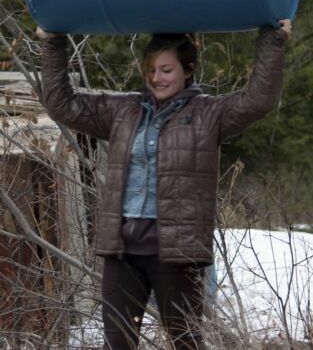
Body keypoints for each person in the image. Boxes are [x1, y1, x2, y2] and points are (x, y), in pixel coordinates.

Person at [37, 19, 291, 349]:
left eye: (166, 70)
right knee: (118, 342)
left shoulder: (209, 114)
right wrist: (53, 44)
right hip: (122, 251)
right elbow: (62, 103)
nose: (157, 78)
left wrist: (273, 42)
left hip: (176, 253)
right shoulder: (124, 110)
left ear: (188, 70)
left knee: (185, 341)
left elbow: (257, 100)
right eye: (151, 70)